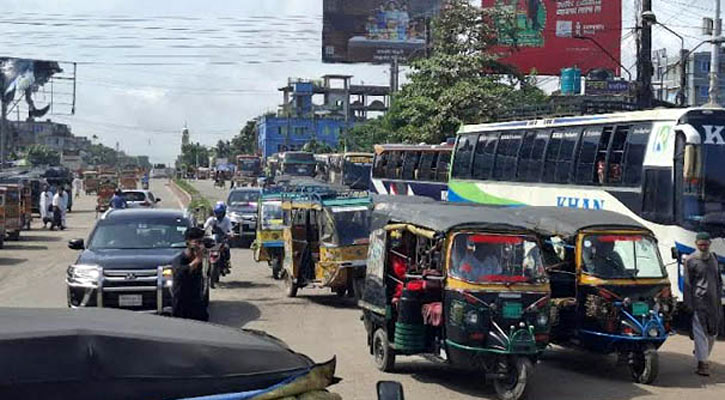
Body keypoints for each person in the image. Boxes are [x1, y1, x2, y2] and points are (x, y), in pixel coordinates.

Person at [684, 232, 723, 376]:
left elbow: (718, 280)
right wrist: (688, 303)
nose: (703, 246)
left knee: (713, 333)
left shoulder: (713, 258)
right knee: (700, 332)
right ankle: (702, 363)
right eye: (700, 244)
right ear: (696, 244)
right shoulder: (690, 260)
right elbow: (687, 284)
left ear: (709, 244)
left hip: (714, 302)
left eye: (705, 244)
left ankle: (702, 353)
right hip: (699, 301)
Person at [171, 226, 209, 321]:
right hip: (181, 307)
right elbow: (180, 274)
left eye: (202, 242)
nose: (200, 246)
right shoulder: (180, 259)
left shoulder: (198, 258)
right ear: (188, 242)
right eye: (197, 242)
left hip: (197, 304)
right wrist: (197, 260)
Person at [204, 202, 233, 273]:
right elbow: (204, 227)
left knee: (226, 248)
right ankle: (205, 263)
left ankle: (226, 263)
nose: (218, 214)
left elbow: (230, 229)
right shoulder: (211, 220)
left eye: (220, 213)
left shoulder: (227, 220)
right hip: (212, 241)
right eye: (217, 212)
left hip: (222, 240)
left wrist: (231, 234)